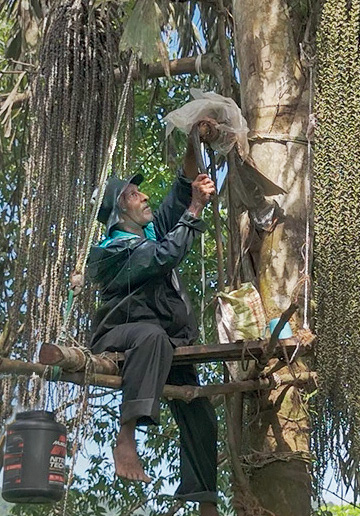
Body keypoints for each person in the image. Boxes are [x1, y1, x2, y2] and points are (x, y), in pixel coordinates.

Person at [86, 129, 219, 516]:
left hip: (166, 342)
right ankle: (126, 436)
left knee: (200, 410)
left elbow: (182, 188)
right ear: (118, 212)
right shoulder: (111, 251)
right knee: (152, 335)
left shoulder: (150, 232)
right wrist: (195, 209)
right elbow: (163, 257)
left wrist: (196, 135)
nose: (143, 196)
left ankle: (204, 502)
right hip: (121, 335)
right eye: (133, 194)